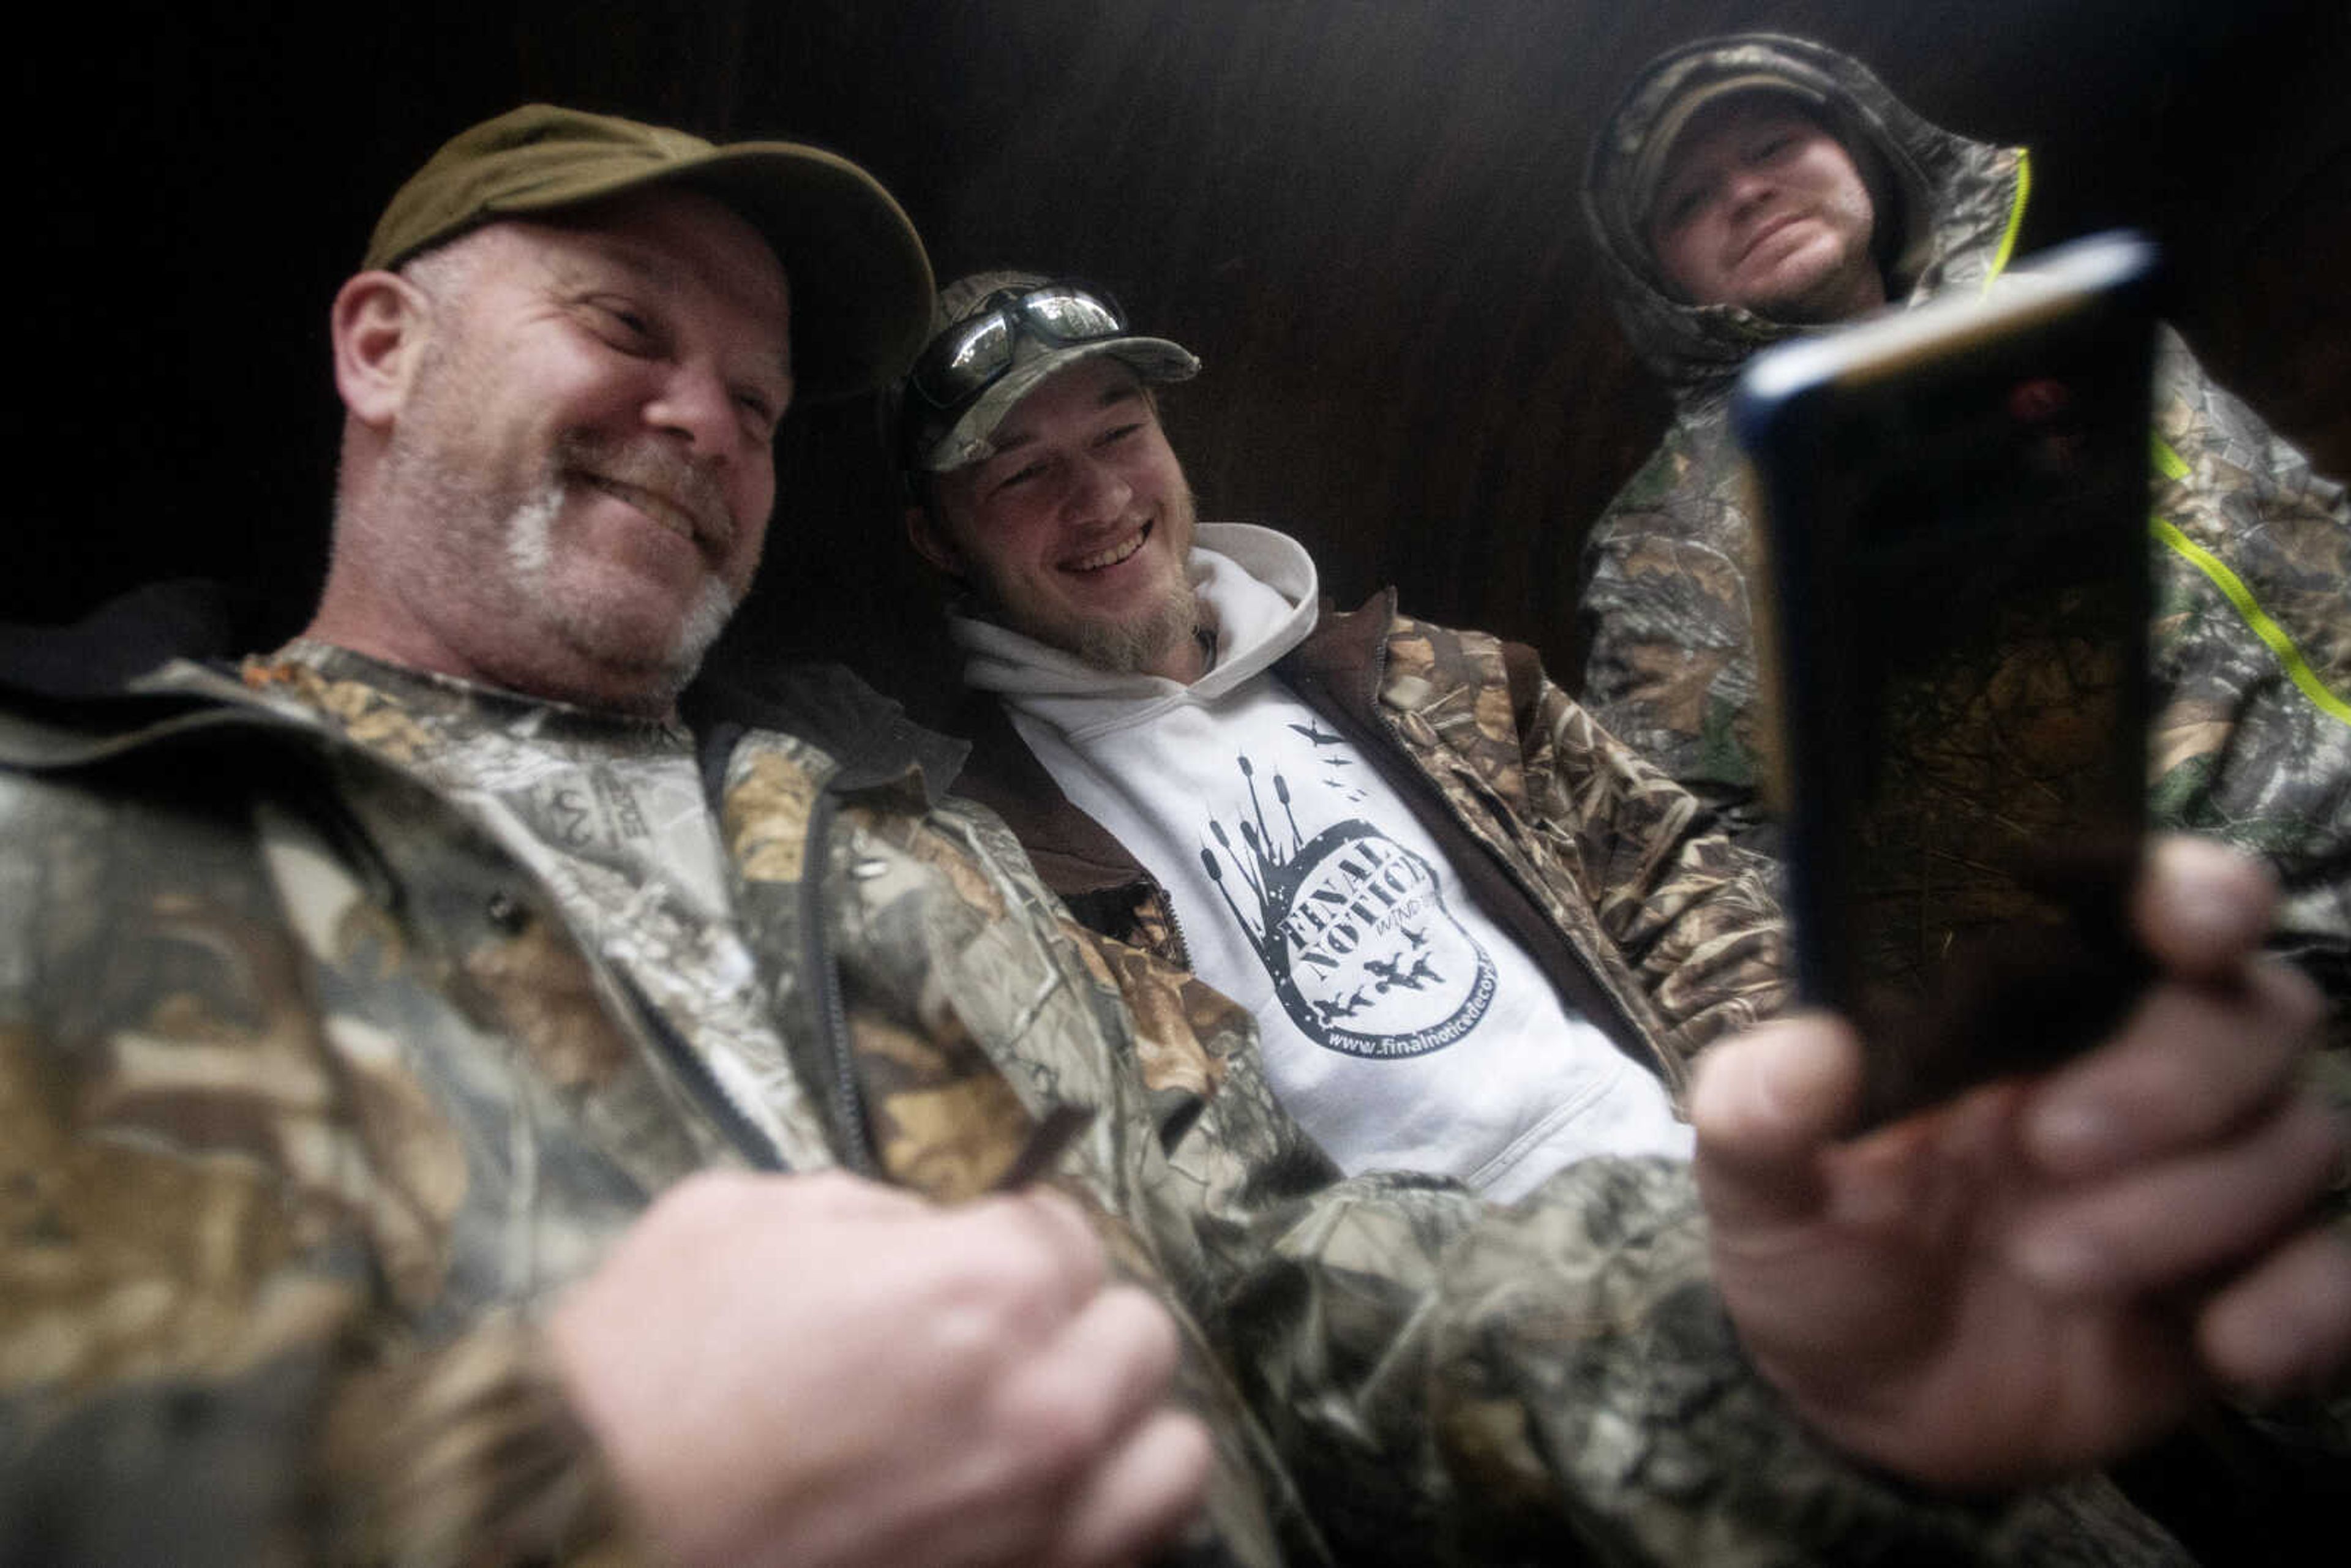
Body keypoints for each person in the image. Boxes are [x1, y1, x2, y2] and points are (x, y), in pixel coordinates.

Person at [2, 106, 2344, 1568]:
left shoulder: (896, 851)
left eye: (761, 397)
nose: (702, 417)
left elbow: (1282, 1286)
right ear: (383, 339)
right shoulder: (79, 841)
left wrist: (1767, 1349)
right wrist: (539, 1502)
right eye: (624, 323)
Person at [894, 271, 1788, 1202]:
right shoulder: (991, 863)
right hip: (1457, 1316)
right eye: (1023, 471)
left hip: (1706, 1183)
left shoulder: (1418, 676)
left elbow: (1667, 871)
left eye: (1120, 433)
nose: (1101, 498)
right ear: (940, 539)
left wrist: (1763, 1119)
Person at [1574, 33, 2351, 1045]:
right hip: (2253, 1006)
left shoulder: (2075, 331)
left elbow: (2294, 508)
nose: (1747, 192)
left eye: (1773, 144)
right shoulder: (1659, 541)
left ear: (1861, 150)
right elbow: (1696, 866)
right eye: (1687, 201)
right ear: (1659, 275)